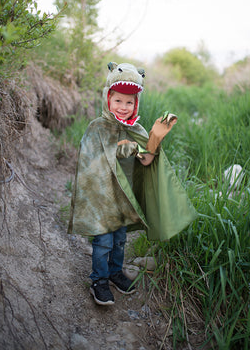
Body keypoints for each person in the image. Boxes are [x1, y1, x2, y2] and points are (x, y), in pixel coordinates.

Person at [68, 62, 197, 306]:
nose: (123, 107)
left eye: (129, 102)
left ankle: (115, 272)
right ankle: (99, 280)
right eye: (118, 100)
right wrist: (122, 148)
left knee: (119, 241)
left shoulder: (135, 129)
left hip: (123, 198)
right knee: (103, 242)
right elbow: (92, 160)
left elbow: (146, 160)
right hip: (102, 198)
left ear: (136, 103)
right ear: (108, 98)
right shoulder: (97, 127)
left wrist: (155, 137)